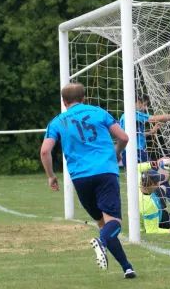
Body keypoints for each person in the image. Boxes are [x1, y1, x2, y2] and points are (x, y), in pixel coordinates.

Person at [40, 83, 136, 279]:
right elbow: (124, 137)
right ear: (84, 98)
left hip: (80, 178)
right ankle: (102, 241)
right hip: (105, 173)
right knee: (113, 223)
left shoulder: (57, 122)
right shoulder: (98, 112)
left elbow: (44, 151)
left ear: (64, 101)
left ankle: (127, 267)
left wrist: (51, 176)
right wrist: (116, 154)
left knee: (102, 223)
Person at [119, 93, 170, 217]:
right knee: (159, 179)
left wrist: (151, 132)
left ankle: (163, 210)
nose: (145, 109)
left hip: (130, 155)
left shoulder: (124, 117)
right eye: (145, 105)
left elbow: (133, 134)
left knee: (148, 183)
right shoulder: (133, 113)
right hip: (137, 154)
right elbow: (155, 118)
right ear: (138, 102)